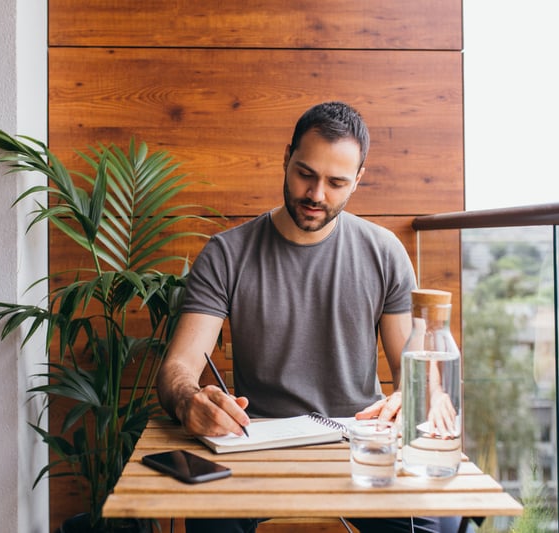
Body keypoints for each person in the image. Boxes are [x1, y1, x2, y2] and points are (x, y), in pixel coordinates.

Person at [157, 101, 461, 533]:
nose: (316, 195)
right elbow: (179, 365)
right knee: (209, 522)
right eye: (305, 173)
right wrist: (190, 400)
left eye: (336, 182)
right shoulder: (227, 254)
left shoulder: (385, 252)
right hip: (256, 449)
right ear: (286, 159)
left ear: (358, 179)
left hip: (360, 447)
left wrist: (409, 399)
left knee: (439, 524)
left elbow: (413, 371)